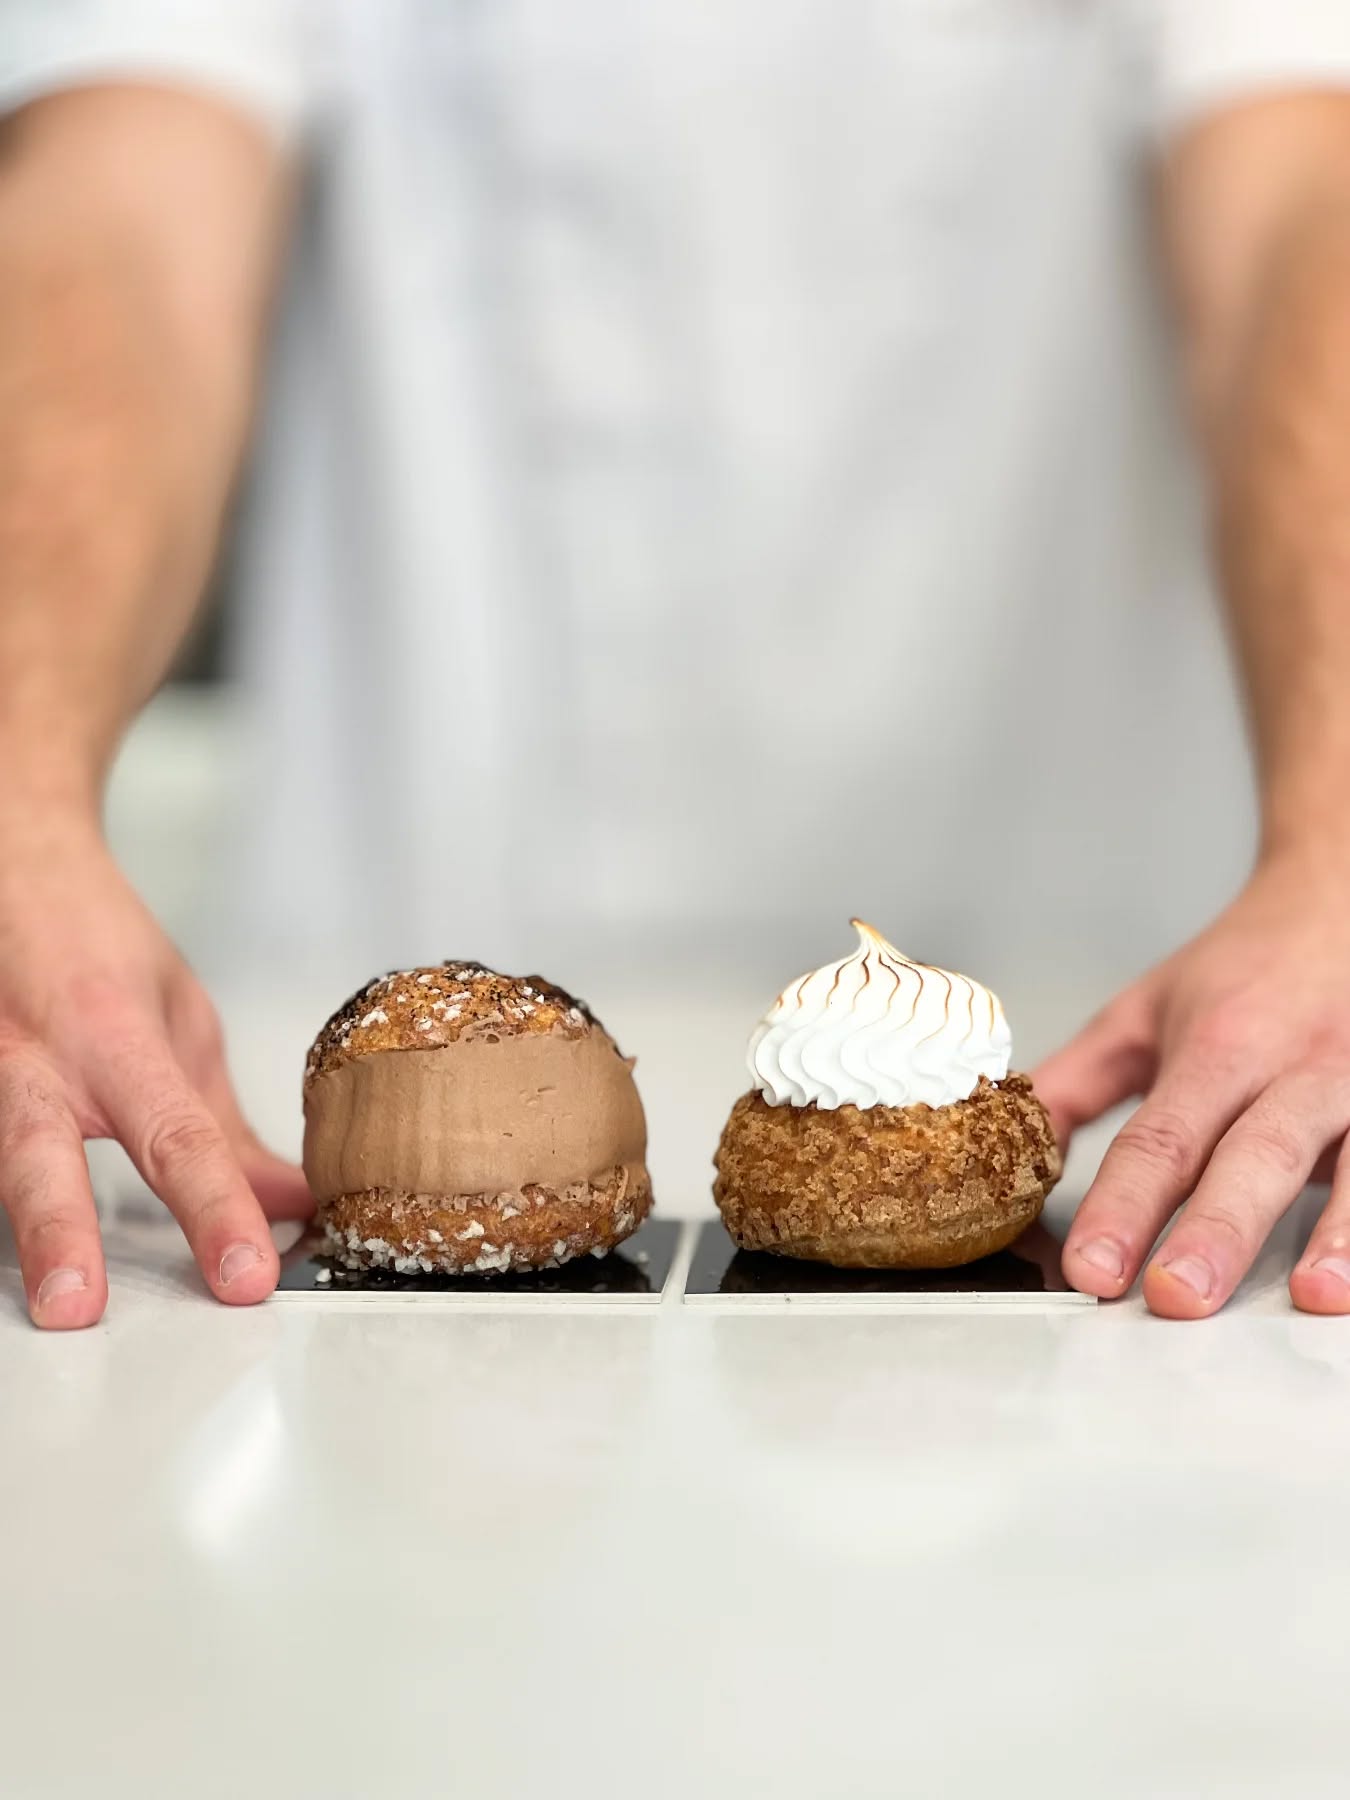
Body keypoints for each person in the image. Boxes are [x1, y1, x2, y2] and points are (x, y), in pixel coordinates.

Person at [2, 1, 1350, 1329]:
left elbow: (1302, 202)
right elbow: (121, 221)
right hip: (397, 947)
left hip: (1093, 970)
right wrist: (17, 792)